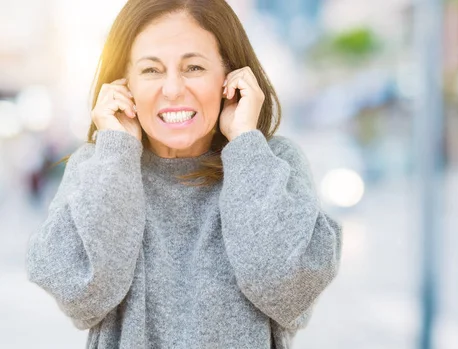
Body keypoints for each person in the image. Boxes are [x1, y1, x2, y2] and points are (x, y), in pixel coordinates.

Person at [25, 0, 343, 348]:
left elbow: (288, 292)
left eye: (193, 67)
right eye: (151, 70)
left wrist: (245, 146)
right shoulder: (98, 167)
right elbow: (82, 297)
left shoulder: (271, 161)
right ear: (123, 83)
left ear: (230, 75)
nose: (173, 89)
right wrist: (117, 154)